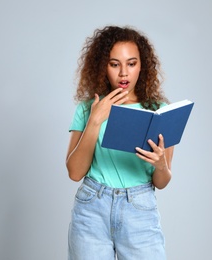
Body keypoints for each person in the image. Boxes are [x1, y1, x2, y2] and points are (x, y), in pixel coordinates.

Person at [66, 25, 174, 260]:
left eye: (131, 63)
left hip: (139, 209)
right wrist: (95, 120)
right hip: (92, 209)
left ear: (141, 66)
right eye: (115, 64)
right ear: (103, 66)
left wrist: (161, 165)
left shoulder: (159, 112)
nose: (123, 73)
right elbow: (74, 172)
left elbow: (162, 181)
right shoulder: (88, 108)